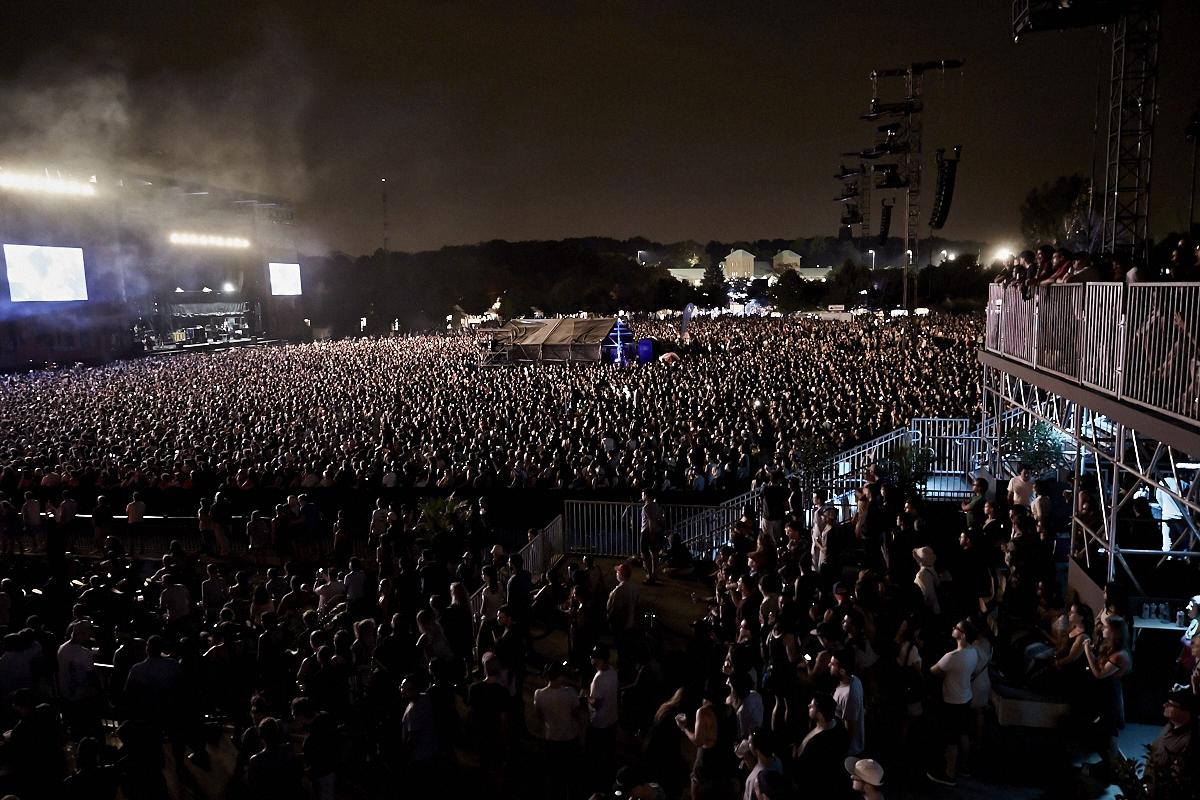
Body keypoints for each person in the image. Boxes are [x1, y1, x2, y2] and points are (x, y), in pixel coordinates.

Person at [928, 619, 980, 786]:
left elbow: (933, 671)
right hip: (966, 697)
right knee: (963, 734)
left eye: (956, 627)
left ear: (962, 635)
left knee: (951, 738)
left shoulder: (952, 657)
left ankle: (949, 774)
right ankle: (964, 767)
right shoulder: (973, 652)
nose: (953, 628)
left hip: (952, 701)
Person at [1144, 690, 1198, 800]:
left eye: (1170, 704)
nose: (1164, 705)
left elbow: (1177, 782)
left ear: (1185, 711)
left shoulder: (1188, 741)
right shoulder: (1170, 725)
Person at [586, 644, 620, 792]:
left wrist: (586, 697)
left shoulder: (598, 679)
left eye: (593, 658)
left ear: (599, 660)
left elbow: (596, 704)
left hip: (599, 723)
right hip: (612, 718)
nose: (592, 660)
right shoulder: (613, 671)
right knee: (610, 750)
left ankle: (600, 782)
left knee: (597, 754)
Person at [831, 650, 865, 757]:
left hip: (849, 751)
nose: (828, 665)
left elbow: (849, 730)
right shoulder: (855, 679)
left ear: (842, 671)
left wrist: (842, 751)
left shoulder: (849, 696)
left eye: (832, 664)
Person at [640, 490, 665, 584]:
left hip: (647, 531)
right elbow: (659, 518)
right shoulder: (656, 505)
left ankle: (650, 576)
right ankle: (655, 574)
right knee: (654, 554)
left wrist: (652, 534)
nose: (642, 496)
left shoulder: (646, 507)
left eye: (642, 495)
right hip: (657, 531)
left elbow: (651, 521)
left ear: (646, 495)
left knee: (645, 553)